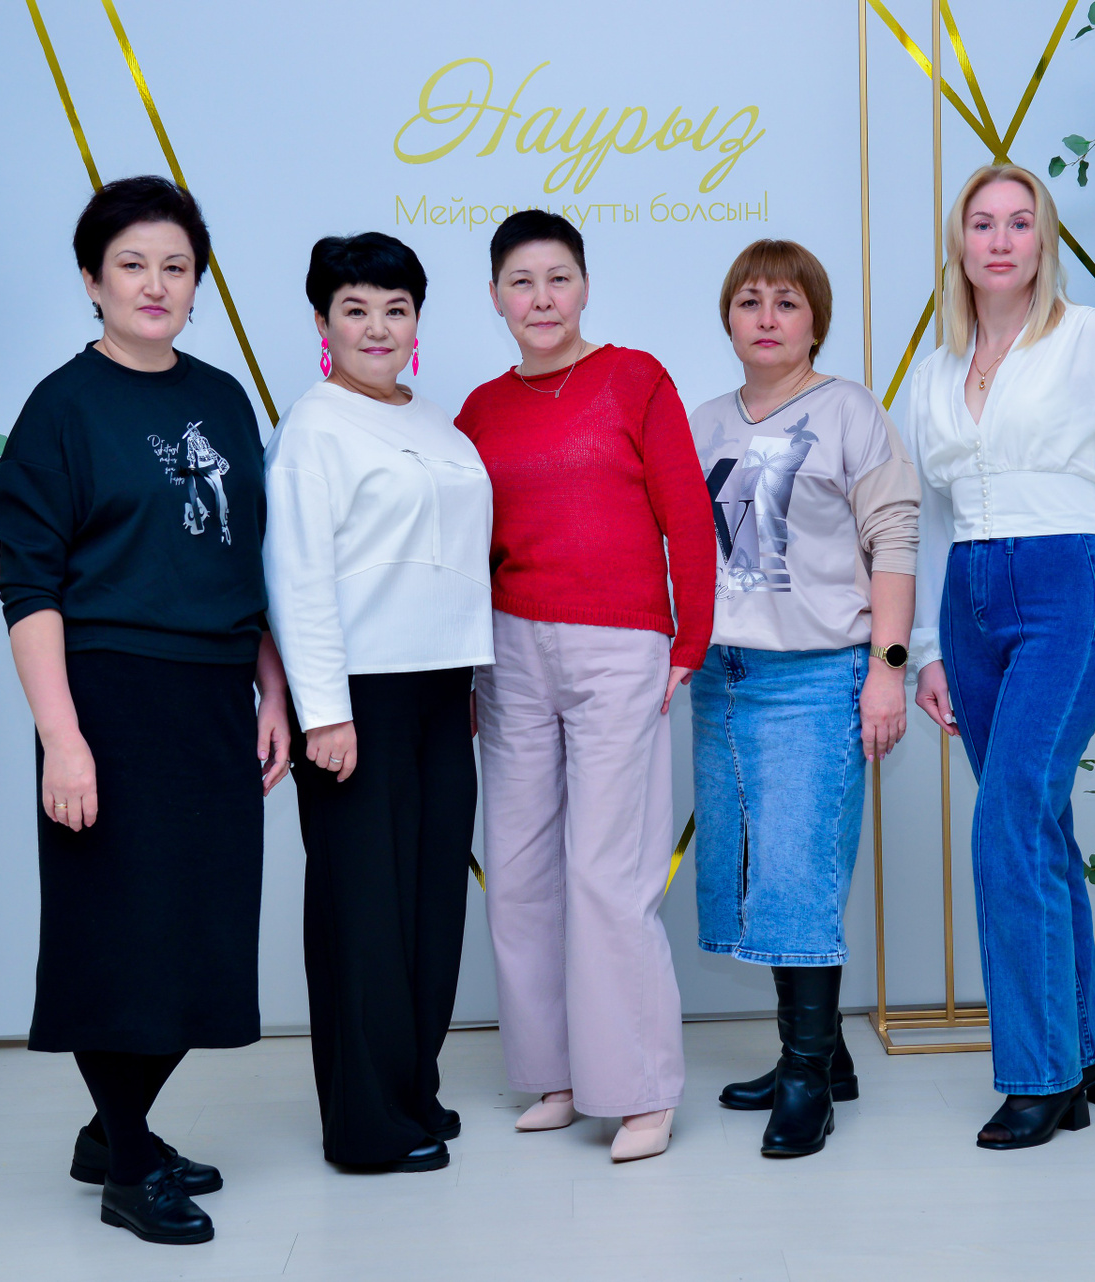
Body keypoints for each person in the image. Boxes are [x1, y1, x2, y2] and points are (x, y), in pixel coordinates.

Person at [0, 175, 291, 1244]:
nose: (155, 284)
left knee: (202, 931)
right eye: (131, 264)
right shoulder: (65, 406)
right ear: (91, 279)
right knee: (118, 932)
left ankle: (114, 1130)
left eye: (175, 267)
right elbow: (29, 586)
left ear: (197, 285)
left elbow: (247, 560)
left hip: (213, 694)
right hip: (108, 694)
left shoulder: (223, 398)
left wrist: (271, 687)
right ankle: (128, 1163)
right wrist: (62, 738)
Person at [904, 164, 1095, 1150]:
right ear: (959, 244)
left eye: (1019, 222)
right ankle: (1089, 1051)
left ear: (1043, 241)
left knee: (1006, 821)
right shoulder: (937, 371)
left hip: (1063, 588)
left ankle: (1040, 1079)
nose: (1000, 240)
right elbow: (931, 516)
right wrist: (926, 648)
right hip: (968, 599)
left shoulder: (1092, 342)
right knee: (1036, 824)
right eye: (982, 223)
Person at [456, 210, 715, 1163]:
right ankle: (556, 1074)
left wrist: (691, 636)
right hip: (509, 649)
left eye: (558, 278)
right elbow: (463, 548)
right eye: (521, 283)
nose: (541, 299)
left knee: (609, 873)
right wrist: (464, 663)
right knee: (520, 870)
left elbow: (687, 513)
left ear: (585, 286)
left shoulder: (635, 378)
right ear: (495, 297)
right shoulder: (480, 410)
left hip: (620, 644)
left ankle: (639, 1089)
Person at [264, 232, 493, 1174]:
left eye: (396, 309)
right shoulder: (313, 427)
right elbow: (297, 576)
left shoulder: (437, 423)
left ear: (417, 322)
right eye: (355, 310)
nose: (377, 327)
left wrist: (470, 680)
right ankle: (363, 1124)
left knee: (431, 905)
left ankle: (411, 1089)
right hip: (355, 697)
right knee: (362, 913)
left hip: (444, 692)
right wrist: (323, 711)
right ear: (323, 323)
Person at [688, 240, 918, 1158]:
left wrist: (888, 667)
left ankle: (805, 1081)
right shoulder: (704, 421)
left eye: (787, 301)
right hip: (725, 676)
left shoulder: (851, 410)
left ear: (815, 320)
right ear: (727, 318)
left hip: (820, 674)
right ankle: (820, 1057)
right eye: (750, 301)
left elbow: (894, 539)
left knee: (798, 871)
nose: (768, 317)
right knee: (754, 869)